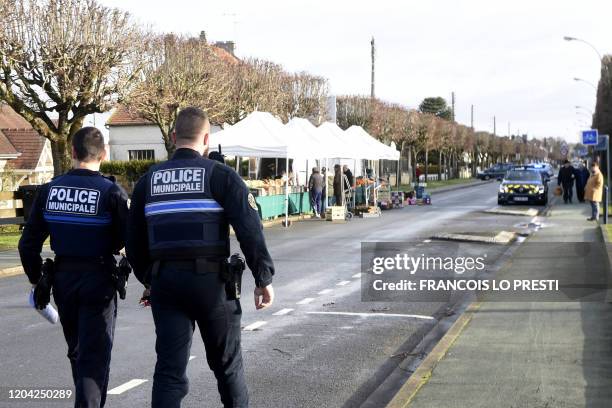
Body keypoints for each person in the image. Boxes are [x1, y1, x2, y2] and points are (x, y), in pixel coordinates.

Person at [126, 107, 275, 408]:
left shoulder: (147, 181)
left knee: (169, 372)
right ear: (207, 138)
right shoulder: (221, 176)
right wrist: (263, 278)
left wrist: (149, 278)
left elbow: (133, 241)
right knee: (227, 368)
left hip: (165, 284)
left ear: (172, 137)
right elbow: (250, 230)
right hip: (212, 285)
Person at [18, 127, 129, 408]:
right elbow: (133, 240)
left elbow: (27, 244)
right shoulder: (110, 191)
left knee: (78, 352)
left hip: (63, 281)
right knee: (94, 358)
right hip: (99, 278)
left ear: (72, 152)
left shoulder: (49, 190)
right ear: (103, 154)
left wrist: (36, 280)